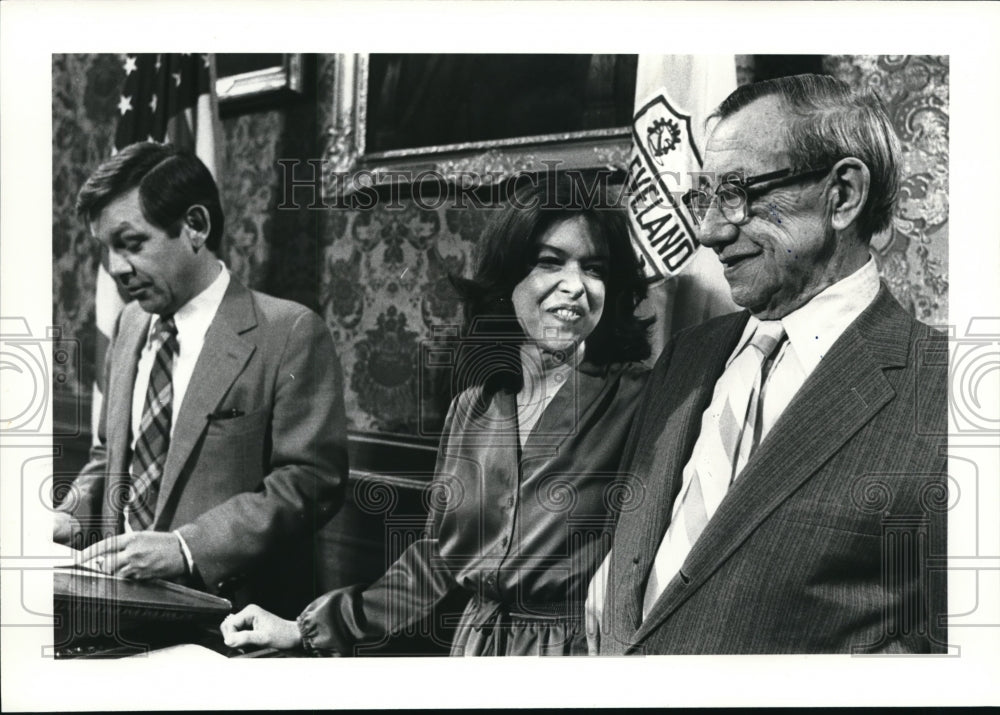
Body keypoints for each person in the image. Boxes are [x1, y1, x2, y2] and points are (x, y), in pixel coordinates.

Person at [589, 74, 948, 654]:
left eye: (736, 192)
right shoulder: (689, 354)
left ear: (842, 196)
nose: (707, 231)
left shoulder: (949, 391)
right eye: (701, 198)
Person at [221, 174, 652, 656]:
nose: (574, 286)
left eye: (594, 269)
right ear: (509, 278)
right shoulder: (474, 406)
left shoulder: (643, 398)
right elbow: (436, 561)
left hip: (579, 661)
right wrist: (307, 628)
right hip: (473, 651)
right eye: (551, 262)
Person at [54, 142, 348, 617]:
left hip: (228, 618)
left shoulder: (289, 331)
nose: (114, 269)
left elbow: (312, 482)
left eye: (131, 244)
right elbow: (109, 457)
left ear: (195, 226)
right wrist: (69, 515)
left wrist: (187, 548)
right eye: (105, 249)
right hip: (116, 607)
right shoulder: (129, 324)